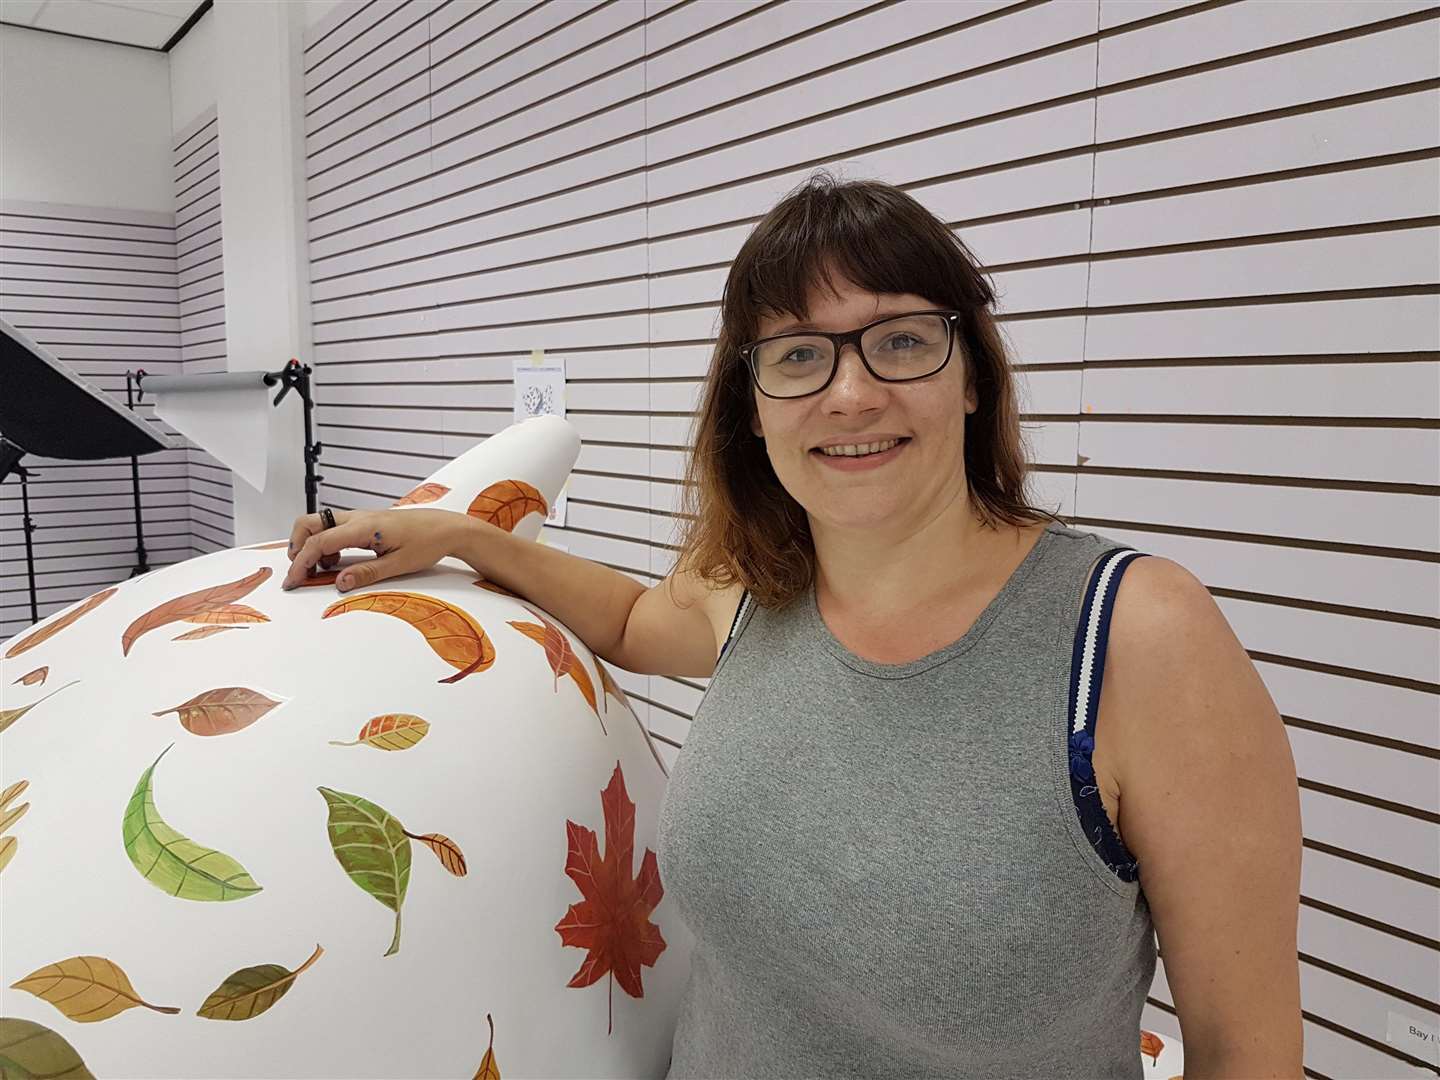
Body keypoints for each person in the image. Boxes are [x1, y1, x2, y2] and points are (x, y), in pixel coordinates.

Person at [282, 171, 1304, 1078]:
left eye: (901, 340)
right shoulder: (756, 584)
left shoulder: (1138, 635)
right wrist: (468, 536)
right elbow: (639, 621)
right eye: (800, 355)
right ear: (754, 404)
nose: (851, 393)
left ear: (973, 371)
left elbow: (1244, 1052)